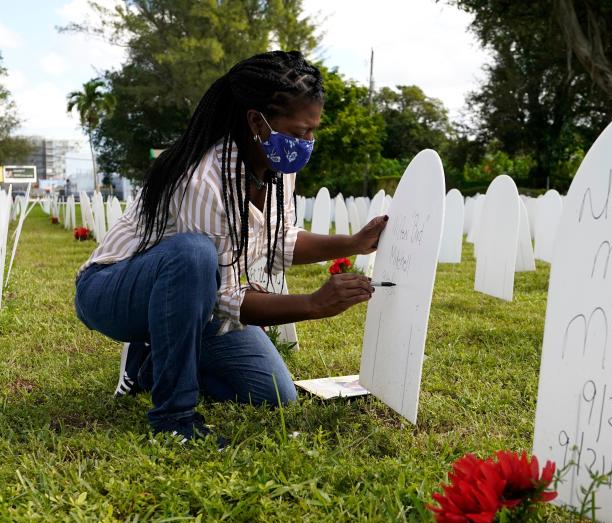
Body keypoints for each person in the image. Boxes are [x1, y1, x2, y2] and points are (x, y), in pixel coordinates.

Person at [74, 51, 388, 447]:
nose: (308, 143)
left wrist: (353, 242)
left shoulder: (276, 169)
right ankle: (174, 417)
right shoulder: (202, 178)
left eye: (313, 132)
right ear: (257, 121)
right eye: (299, 132)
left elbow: (279, 240)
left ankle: (150, 366)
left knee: (272, 391)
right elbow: (223, 296)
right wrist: (312, 304)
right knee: (193, 253)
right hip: (114, 290)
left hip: (193, 298)